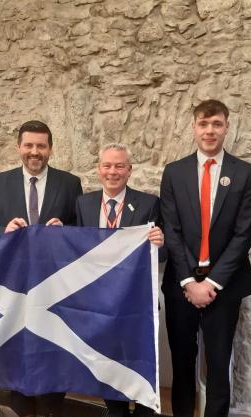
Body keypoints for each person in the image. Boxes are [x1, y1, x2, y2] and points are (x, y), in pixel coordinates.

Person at [0, 120, 82, 417]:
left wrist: (66, 230)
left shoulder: (69, 183)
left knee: (52, 350)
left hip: (54, 288)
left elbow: (82, 228)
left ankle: (51, 409)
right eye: (29, 145)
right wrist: (4, 230)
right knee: (17, 351)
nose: (34, 152)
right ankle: (19, 410)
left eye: (41, 146)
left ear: (50, 149)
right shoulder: (0, 182)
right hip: (14, 287)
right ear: (18, 147)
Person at [160, 99, 251, 417]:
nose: (210, 130)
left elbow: (243, 234)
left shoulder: (245, 173)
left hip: (225, 285)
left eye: (216, 124)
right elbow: (171, 230)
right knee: (183, 364)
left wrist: (212, 282)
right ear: (194, 128)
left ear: (227, 127)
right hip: (181, 285)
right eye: (203, 124)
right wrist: (190, 281)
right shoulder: (174, 172)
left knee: (219, 365)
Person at [75, 143, 164, 417]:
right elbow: (76, 248)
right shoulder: (84, 203)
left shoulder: (149, 204)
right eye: (107, 166)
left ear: (129, 170)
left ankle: (145, 410)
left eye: (119, 166)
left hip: (136, 304)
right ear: (98, 169)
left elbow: (161, 254)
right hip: (99, 304)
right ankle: (115, 410)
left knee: (139, 361)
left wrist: (160, 243)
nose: (112, 172)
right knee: (108, 365)